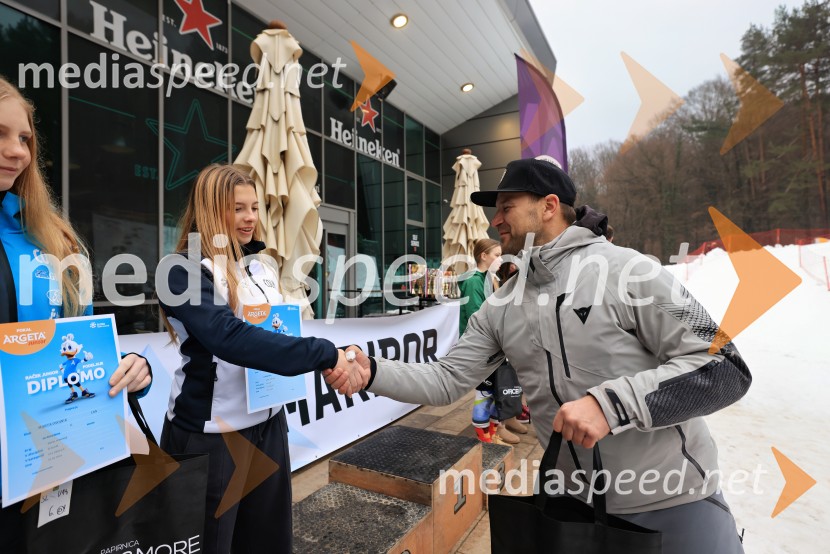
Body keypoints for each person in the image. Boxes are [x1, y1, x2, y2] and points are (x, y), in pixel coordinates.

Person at [331, 157, 750, 553]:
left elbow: (725, 365)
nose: (495, 220)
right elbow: (447, 380)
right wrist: (373, 373)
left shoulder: (631, 270)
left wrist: (612, 406)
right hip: (570, 513)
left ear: (549, 206)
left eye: (506, 207)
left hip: (674, 505)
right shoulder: (500, 304)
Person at [157, 163, 359, 554]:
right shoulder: (179, 269)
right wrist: (323, 353)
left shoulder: (260, 265)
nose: (250, 218)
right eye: (237, 208)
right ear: (211, 210)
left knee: (268, 542)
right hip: (209, 438)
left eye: (255, 207)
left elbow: (276, 331)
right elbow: (229, 338)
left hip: (268, 426)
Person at [0, 76, 152, 552]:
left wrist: (130, 372)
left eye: (24, 137)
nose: (17, 151)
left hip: (53, 466)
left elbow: (78, 347)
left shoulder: (54, 239)